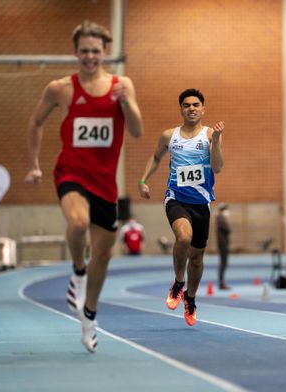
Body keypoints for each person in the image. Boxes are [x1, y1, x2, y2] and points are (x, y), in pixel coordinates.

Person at [24, 20, 143, 353]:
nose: (90, 56)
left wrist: (126, 104)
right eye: (84, 51)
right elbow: (35, 122)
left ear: (104, 52)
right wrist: (34, 164)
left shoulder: (122, 85)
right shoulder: (60, 88)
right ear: (76, 52)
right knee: (77, 223)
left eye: (96, 51)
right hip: (71, 173)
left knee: (103, 254)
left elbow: (136, 130)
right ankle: (77, 270)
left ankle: (89, 316)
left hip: (105, 182)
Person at [138, 88, 224, 326]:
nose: (191, 109)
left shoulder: (209, 135)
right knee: (183, 238)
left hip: (201, 203)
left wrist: (216, 141)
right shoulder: (169, 136)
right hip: (176, 198)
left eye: (196, 105)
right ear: (181, 109)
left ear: (203, 108)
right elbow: (156, 157)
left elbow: (217, 168)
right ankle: (178, 282)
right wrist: (143, 181)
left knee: (196, 259)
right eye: (187, 105)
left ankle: (191, 297)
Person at [216, 203, 232, 290]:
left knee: (224, 263)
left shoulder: (221, 218)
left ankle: (222, 282)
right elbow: (228, 229)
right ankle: (221, 283)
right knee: (223, 263)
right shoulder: (220, 218)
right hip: (223, 244)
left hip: (223, 243)